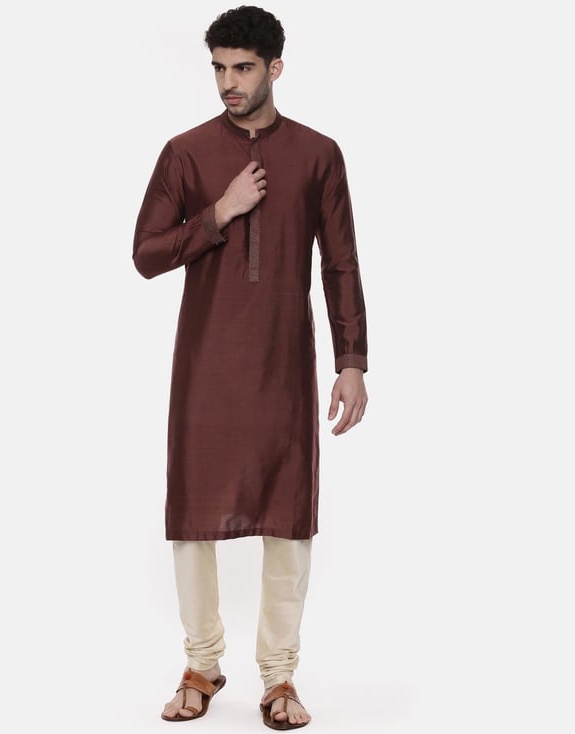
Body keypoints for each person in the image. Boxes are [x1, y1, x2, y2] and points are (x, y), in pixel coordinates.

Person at [132, 5, 368, 729]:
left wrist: (352, 361)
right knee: (192, 518)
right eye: (219, 68)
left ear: (275, 68)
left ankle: (280, 676)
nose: (228, 82)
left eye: (242, 68)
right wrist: (219, 213)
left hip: (283, 363)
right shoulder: (186, 153)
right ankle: (202, 663)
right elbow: (146, 254)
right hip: (205, 363)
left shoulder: (318, 154)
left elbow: (340, 263)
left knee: (288, 517)